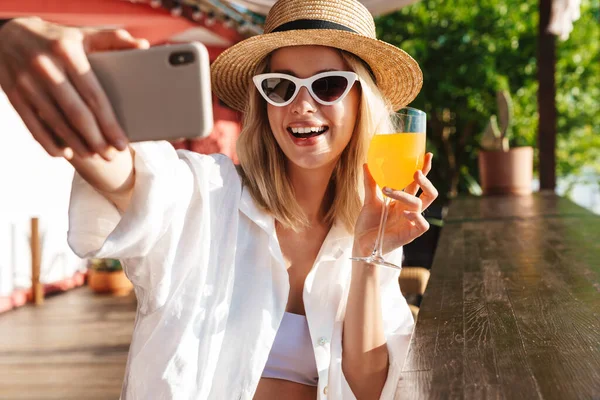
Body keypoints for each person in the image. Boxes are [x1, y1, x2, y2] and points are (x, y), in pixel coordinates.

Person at [0, 0, 438, 399]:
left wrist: (367, 250)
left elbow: (368, 386)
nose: (302, 105)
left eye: (328, 86)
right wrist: (12, 33)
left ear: (363, 102)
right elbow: (121, 169)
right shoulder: (204, 196)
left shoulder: (371, 225)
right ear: (263, 104)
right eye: (281, 87)